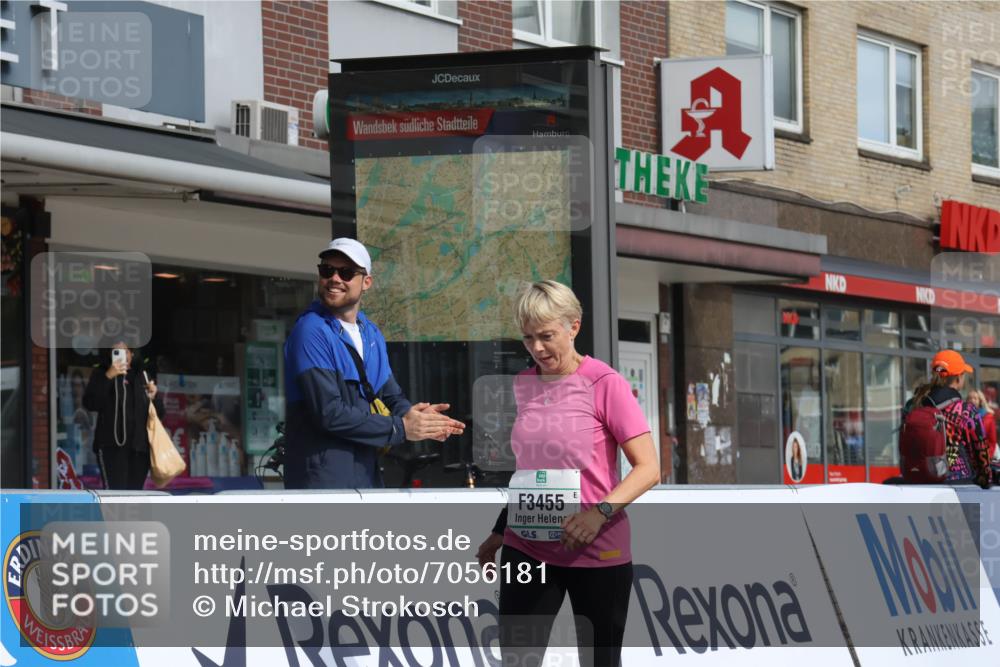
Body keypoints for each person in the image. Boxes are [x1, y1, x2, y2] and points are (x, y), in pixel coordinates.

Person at [475, 280, 659, 667]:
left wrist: (598, 514)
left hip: (596, 548)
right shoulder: (523, 384)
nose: (537, 349)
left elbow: (649, 469)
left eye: (546, 336)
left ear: (573, 326)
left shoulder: (604, 383)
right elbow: (532, 470)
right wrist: (499, 529)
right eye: (528, 338)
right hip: (527, 546)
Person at [283, 238, 465, 489]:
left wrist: (417, 418)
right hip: (323, 480)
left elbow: (390, 394)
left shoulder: (370, 333)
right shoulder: (310, 330)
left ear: (366, 282)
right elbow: (330, 413)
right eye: (327, 270)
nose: (335, 278)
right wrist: (402, 427)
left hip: (366, 472)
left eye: (346, 272)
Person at [906, 349, 991, 488]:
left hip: (918, 482)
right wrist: (986, 480)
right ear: (959, 378)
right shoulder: (966, 411)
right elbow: (981, 453)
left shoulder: (916, 404)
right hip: (957, 484)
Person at [83, 341, 160, 490]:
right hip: (112, 448)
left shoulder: (142, 376)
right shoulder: (102, 373)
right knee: (115, 494)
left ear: (131, 354)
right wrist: (108, 376)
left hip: (139, 450)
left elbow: (159, 413)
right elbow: (91, 403)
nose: (121, 355)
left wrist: (154, 396)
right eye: (116, 352)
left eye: (125, 351)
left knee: (135, 496)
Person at [968, 389, 997, 462]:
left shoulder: (988, 417)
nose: (972, 400)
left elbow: (992, 441)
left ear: (980, 401)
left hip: (984, 457)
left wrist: (987, 456)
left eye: (975, 398)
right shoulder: (964, 416)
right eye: (970, 398)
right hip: (969, 457)